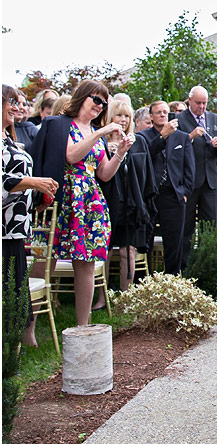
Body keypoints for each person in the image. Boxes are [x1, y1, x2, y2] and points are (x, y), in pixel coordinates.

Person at [34, 80, 133, 327]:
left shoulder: (94, 133)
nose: (100, 106)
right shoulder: (62, 125)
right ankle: (28, 325)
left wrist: (120, 152)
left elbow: (103, 174)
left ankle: (83, 326)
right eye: (96, 99)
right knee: (45, 259)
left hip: (89, 201)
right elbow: (70, 155)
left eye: (104, 102)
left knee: (86, 262)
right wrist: (100, 131)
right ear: (82, 97)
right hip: (63, 198)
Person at [2, 86, 59, 348]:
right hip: (3, 228)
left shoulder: (8, 138)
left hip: (16, 226)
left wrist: (38, 197)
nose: (18, 107)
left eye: (20, 102)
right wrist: (34, 182)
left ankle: (16, 347)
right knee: (9, 291)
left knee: (15, 288)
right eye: (12, 102)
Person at [98, 95, 155, 295]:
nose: (123, 120)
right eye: (118, 115)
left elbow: (146, 176)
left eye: (127, 116)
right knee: (102, 251)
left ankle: (126, 296)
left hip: (131, 203)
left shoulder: (138, 142)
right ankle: (102, 296)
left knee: (127, 250)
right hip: (107, 202)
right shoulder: (99, 143)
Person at [139, 101, 195, 275]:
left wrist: (185, 192)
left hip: (173, 194)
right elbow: (145, 157)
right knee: (145, 239)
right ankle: (143, 280)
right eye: (158, 112)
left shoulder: (182, 137)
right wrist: (162, 136)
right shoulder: (143, 137)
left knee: (174, 241)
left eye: (165, 112)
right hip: (151, 194)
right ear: (151, 116)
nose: (162, 115)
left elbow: (189, 167)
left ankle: (172, 277)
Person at [175, 87, 217, 267]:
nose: (202, 107)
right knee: (187, 226)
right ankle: (186, 266)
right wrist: (189, 137)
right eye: (198, 103)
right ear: (189, 101)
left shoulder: (215, 119)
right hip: (189, 181)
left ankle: (209, 266)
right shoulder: (179, 119)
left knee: (210, 226)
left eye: (204, 103)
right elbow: (174, 149)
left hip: (210, 181)